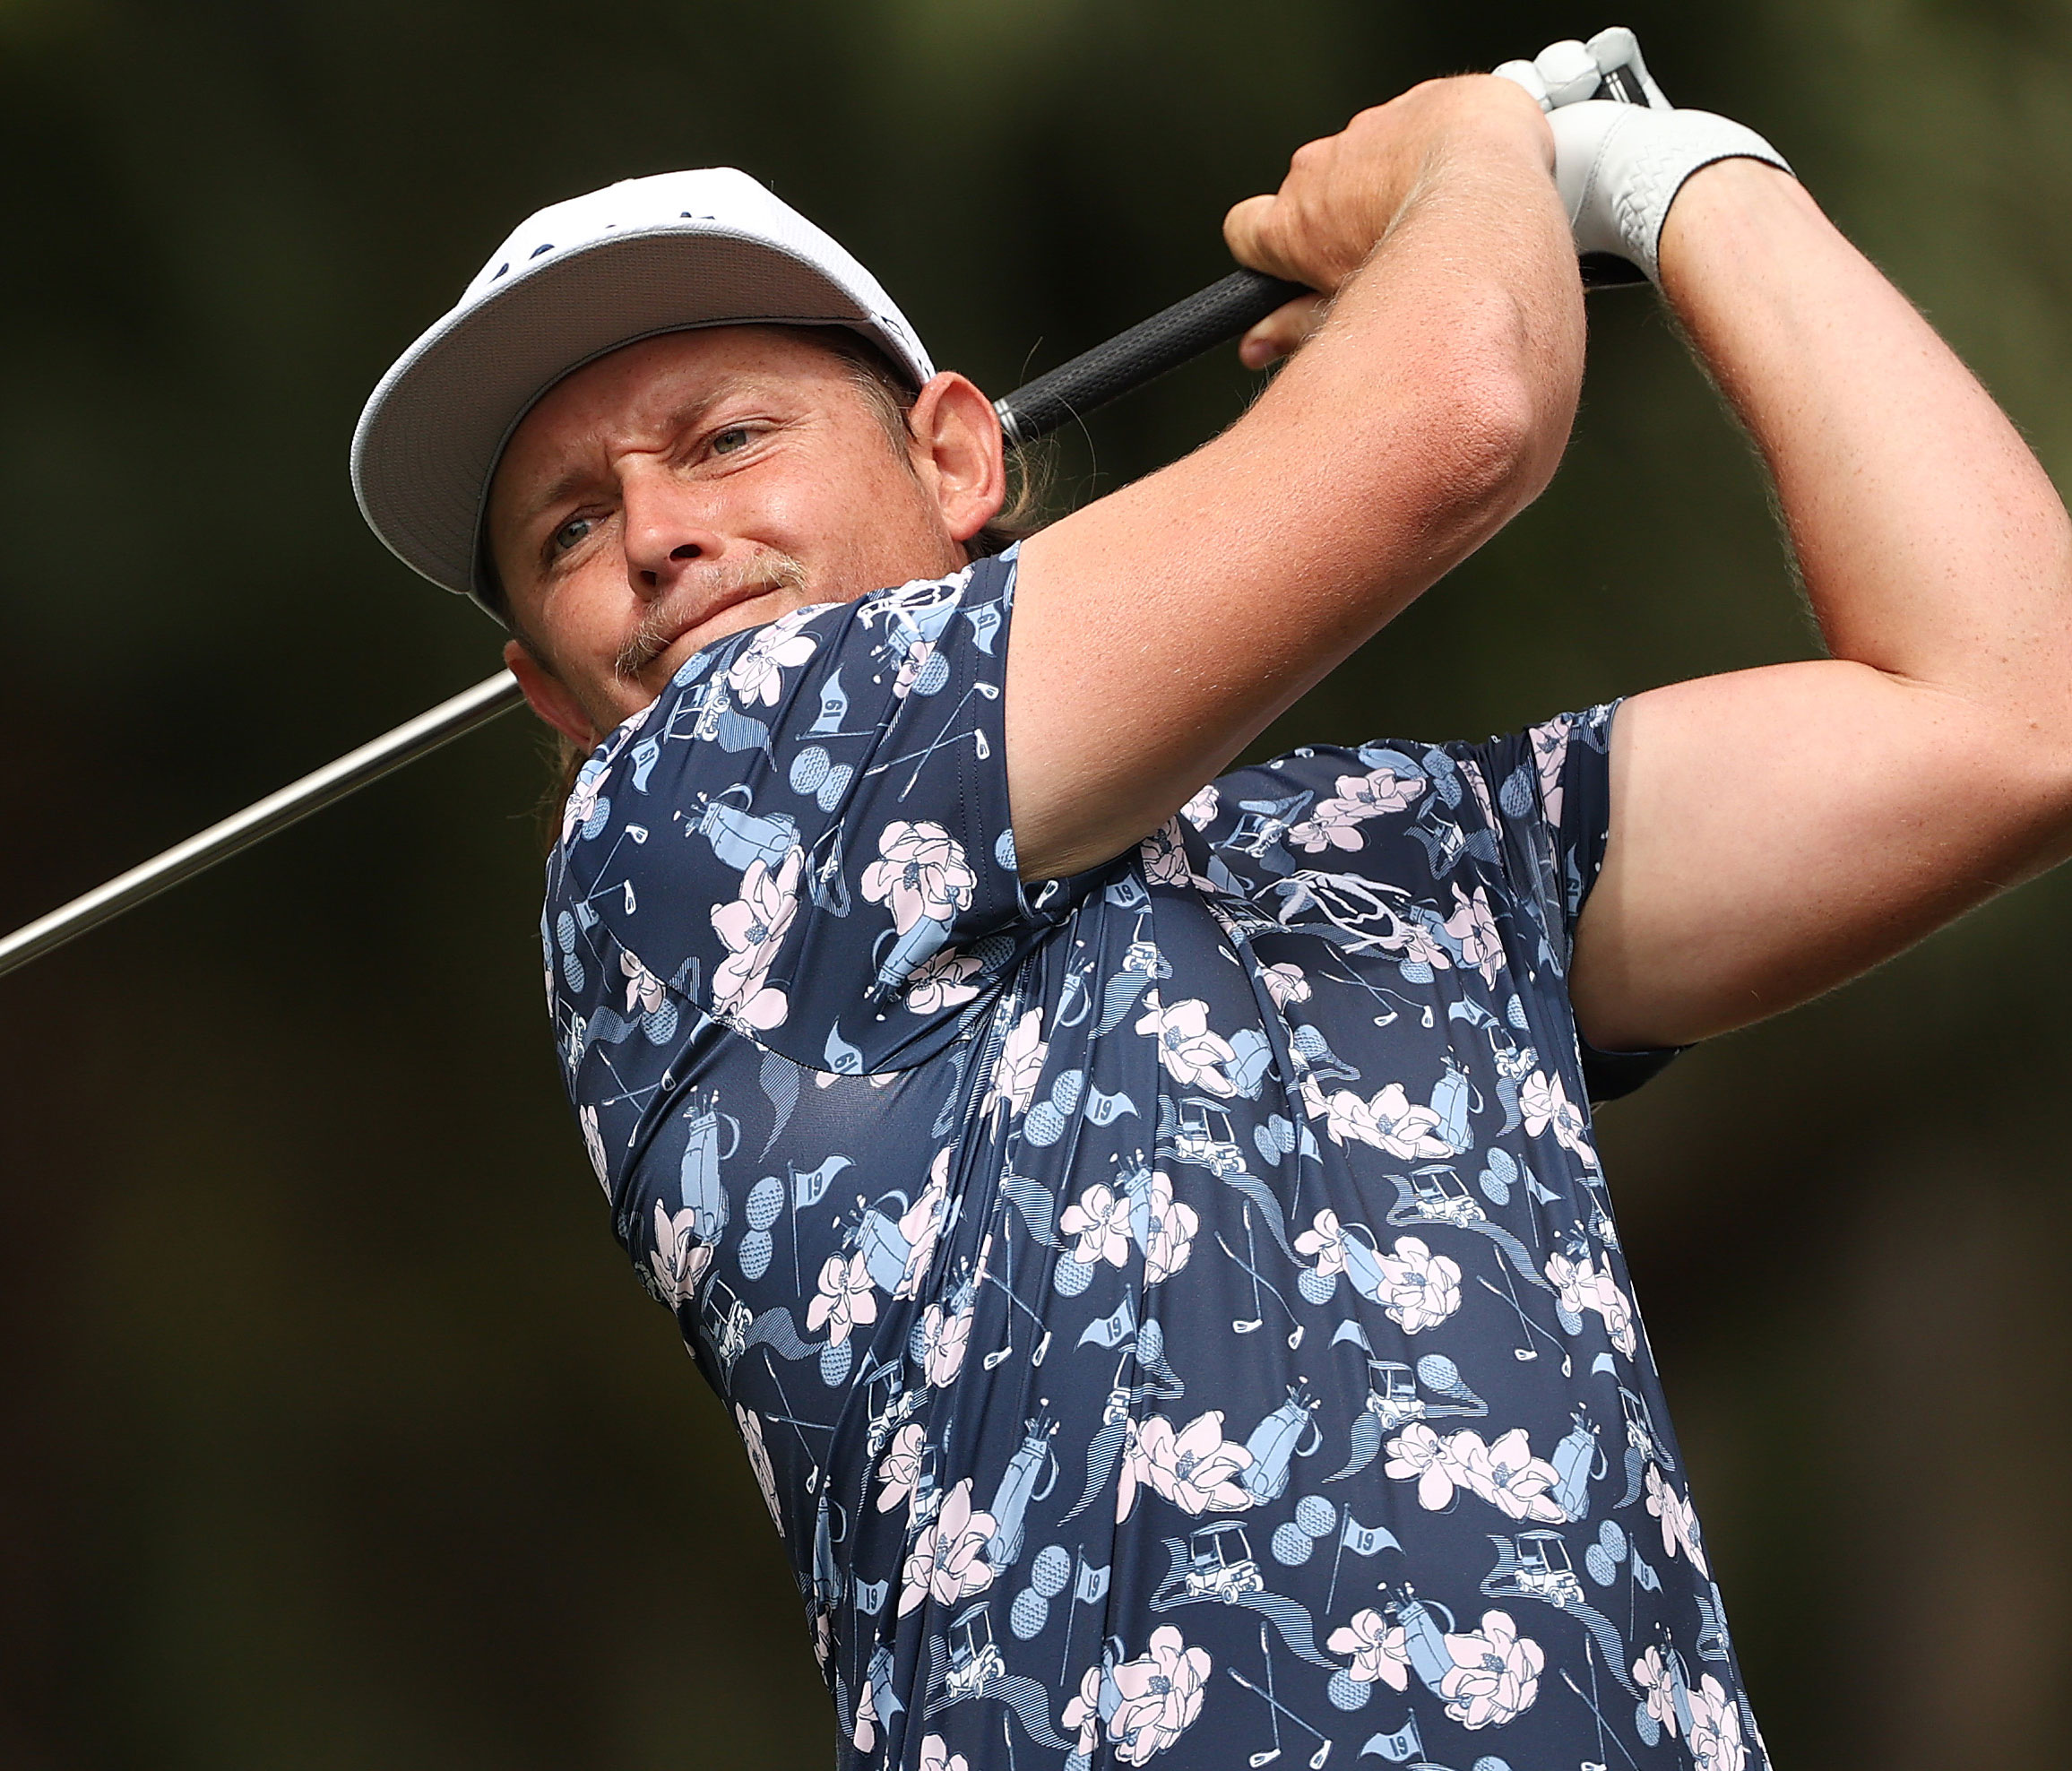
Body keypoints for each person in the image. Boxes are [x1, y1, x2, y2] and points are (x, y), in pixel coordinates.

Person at [347, 30, 2071, 1771]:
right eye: (566, 529)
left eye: (722, 439)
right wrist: (1472, 152)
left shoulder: (1391, 842)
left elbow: (2014, 711)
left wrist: (1680, 177)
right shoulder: (685, 817)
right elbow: (1460, 412)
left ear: (957, 457)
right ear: (552, 697)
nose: (650, 533)